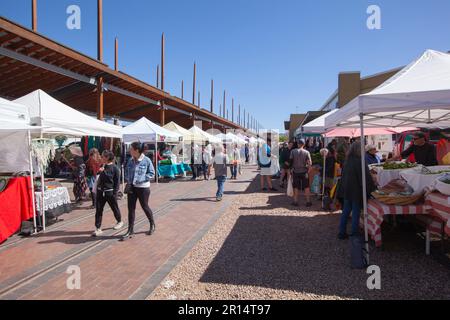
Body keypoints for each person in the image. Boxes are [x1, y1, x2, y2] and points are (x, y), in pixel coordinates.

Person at [338, 142, 377, 240]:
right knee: (356, 211)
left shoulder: (347, 160)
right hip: (356, 191)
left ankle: (341, 232)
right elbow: (365, 177)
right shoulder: (360, 161)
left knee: (346, 211)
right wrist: (372, 188)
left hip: (347, 190)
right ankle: (354, 233)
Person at [121, 142, 156, 241]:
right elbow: (127, 171)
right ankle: (130, 230)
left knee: (145, 206)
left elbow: (152, 173)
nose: (129, 150)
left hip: (143, 188)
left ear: (136, 150)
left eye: (131, 149)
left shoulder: (146, 160)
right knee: (131, 209)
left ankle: (152, 224)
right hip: (132, 187)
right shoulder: (130, 160)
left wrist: (141, 179)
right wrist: (129, 180)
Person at [92, 151, 123, 237]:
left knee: (114, 208)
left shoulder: (115, 168)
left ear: (107, 157)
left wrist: (115, 193)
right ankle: (98, 228)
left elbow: (116, 182)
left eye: (102, 157)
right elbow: (98, 177)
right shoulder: (102, 166)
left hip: (110, 192)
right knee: (98, 210)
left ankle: (119, 221)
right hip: (100, 192)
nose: (101, 158)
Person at [290, 139, 312, 207]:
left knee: (296, 187)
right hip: (304, 172)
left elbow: (290, 160)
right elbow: (310, 163)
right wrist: (308, 170)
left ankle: (295, 201)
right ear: (304, 144)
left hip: (296, 171)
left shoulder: (293, 151)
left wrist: (291, 169)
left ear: (298, 144)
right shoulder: (306, 152)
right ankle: (308, 202)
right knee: (306, 187)